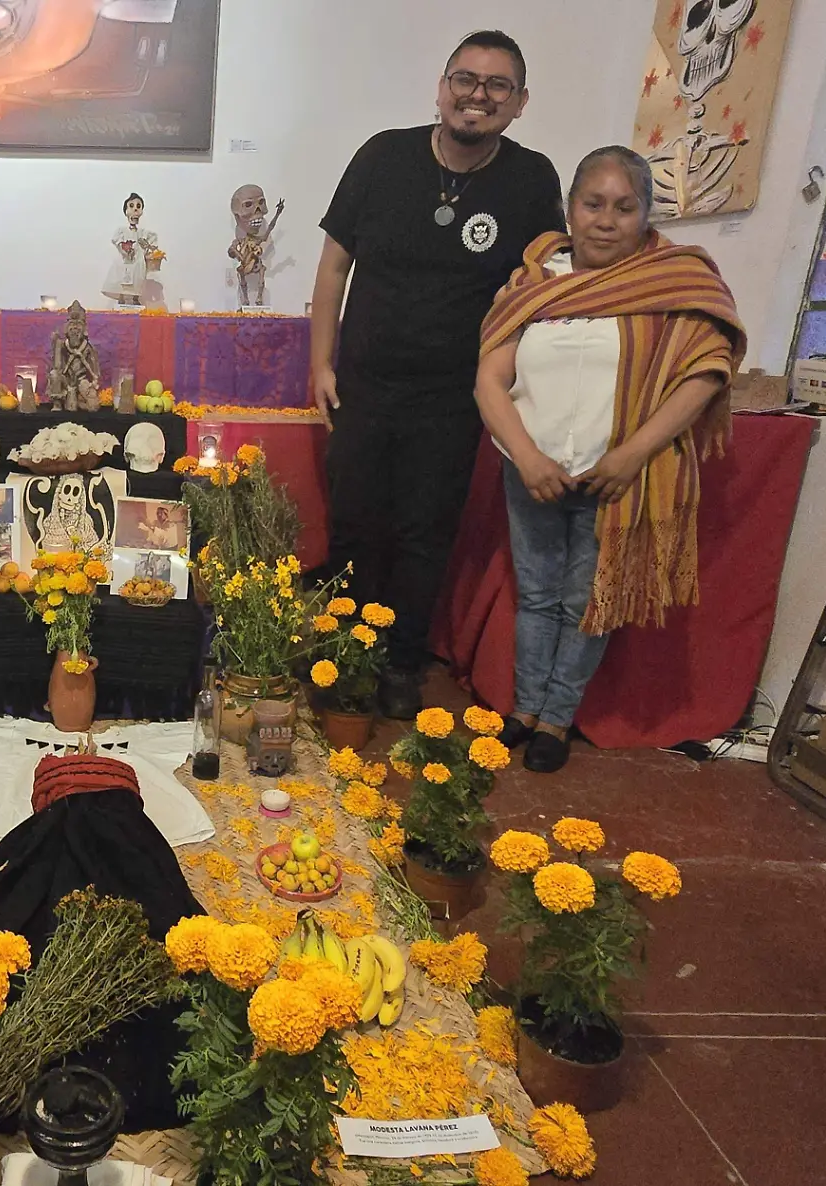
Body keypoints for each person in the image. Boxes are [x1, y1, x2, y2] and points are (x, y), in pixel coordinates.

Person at [310, 29, 565, 720]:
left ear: (517, 104)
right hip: (364, 383)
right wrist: (320, 363)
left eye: (496, 86)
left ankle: (401, 662)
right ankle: (342, 654)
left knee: (425, 534)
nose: (476, 95)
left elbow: (540, 283)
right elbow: (334, 266)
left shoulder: (531, 179)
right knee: (356, 525)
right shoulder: (382, 157)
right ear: (441, 86)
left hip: (455, 397)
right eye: (465, 79)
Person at [473, 147, 744, 772]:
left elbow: (707, 372)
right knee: (538, 596)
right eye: (592, 204)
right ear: (570, 210)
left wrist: (630, 455)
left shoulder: (676, 283)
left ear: (646, 214)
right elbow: (490, 379)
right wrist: (527, 456)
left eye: (625, 207)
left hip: (619, 477)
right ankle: (524, 710)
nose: (606, 220)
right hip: (531, 469)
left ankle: (558, 720)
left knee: (586, 602)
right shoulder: (531, 284)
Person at [103, 193, 159, 307]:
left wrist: (150, 250)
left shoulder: (142, 233)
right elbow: (115, 239)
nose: (135, 210)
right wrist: (123, 245)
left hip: (137, 260)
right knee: (121, 277)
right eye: (131, 206)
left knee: (137, 277)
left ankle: (135, 298)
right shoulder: (122, 230)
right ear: (126, 210)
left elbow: (151, 242)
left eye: (138, 206)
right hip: (124, 260)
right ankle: (122, 298)